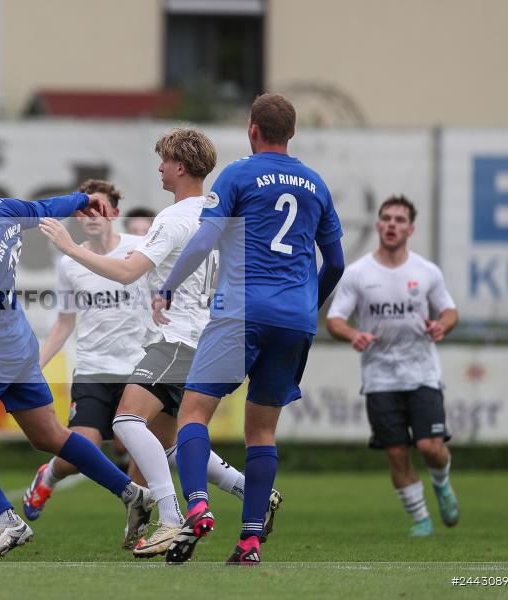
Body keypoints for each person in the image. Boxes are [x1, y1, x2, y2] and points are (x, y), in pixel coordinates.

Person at [38, 128, 259, 558]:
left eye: (164, 160)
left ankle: (171, 518)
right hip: (209, 338)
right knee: (172, 443)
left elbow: (126, 273)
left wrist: (69, 246)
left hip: (178, 339)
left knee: (125, 422)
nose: (159, 168)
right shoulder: (220, 214)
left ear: (180, 166)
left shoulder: (173, 218)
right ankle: (253, 491)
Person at [0, 161, 154, 562]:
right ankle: (132, 493)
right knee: (49, 436)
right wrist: (82, 199)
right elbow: (47, 207)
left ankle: (8, 521)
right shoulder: (4, 210)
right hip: (19, 347)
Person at [154, 93, 345, 565]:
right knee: (261, 432)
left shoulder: (238, 174)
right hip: (295, 320)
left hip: (241, 312)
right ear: (292, 133)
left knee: (193, 413)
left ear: (252, 130)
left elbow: (205, 239)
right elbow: (337, 263)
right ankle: (250, 542)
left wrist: (168, 287)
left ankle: (197, 505)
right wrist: (308, 305)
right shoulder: (316, 184)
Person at [21, 179, 148, 540]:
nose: (92, 216)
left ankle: (137, 526)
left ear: (115, 214)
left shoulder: (138, 249)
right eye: (85, 211)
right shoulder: (69, 263)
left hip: (138, 368)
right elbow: (64, 323)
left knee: (142, 449)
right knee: (82, 450)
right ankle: (48, 476)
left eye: (100, 209)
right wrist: (34, 366)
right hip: (93, 368)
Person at [326, 195, 459, 538]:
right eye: (386, 218)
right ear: (378, 224)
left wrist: (442, 325)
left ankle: (442, 483)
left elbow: (449, 310)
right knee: (397, 453)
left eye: (399, 220)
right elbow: (335, 319)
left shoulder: (426, 271)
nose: (391, 225)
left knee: (430, 447)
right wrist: (353, 334)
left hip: (422, 372)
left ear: (410, 229)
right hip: (380, 377)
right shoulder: (358, 274)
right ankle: (421, 519)